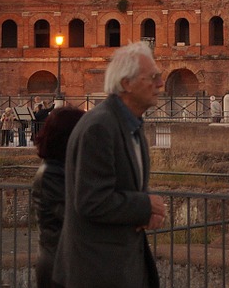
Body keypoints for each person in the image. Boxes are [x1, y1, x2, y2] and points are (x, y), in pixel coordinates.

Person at [53, 42, 166, 288]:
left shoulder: (131, 125)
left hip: (121, 265)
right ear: (127, 83)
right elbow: (92, 200)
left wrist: (147, 211)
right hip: (96, 270)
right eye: (154, 77)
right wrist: (144, 205)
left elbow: (124, 187)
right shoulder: (100, 127)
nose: (160, 84)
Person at [32, 106, 86, 288]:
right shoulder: (50, 175)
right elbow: (76, 215)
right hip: (58, 268)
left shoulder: (65, 169)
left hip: (68, 264)